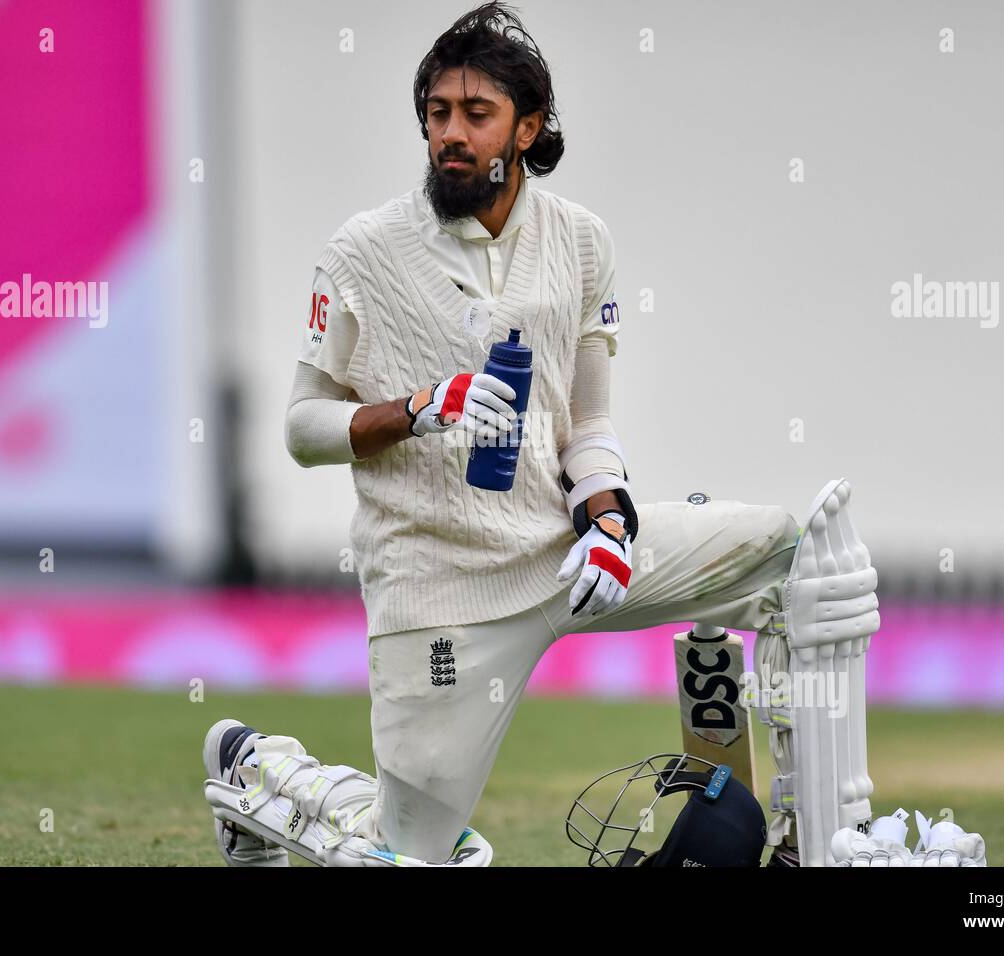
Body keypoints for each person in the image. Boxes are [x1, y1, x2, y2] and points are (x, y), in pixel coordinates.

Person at [203, 2, 844, 868]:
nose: (450, 136)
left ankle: (812, 845)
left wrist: (611, 523)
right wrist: (423, 407)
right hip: (439, 591)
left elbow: (588, 423)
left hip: (561, 554)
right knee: (412, 856)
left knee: (795, 560)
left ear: (527, 126)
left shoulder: (580, 241)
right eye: (437, 114)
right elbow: (302, 428)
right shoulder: (363, 251)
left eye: (476, 114)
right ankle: (261, 772)